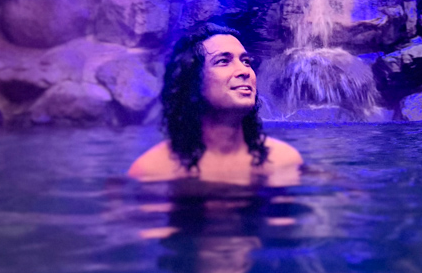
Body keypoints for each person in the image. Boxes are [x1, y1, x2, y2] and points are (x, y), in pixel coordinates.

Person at [128, 25, 303, 184]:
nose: (244, 71)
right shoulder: (152, 172)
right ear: (192, 80)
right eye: (223, 61)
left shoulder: (284, 162)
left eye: (246, 61)